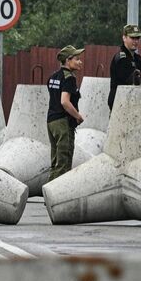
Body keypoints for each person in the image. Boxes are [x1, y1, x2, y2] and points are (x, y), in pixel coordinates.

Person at [47, 45, 85, 181]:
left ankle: (48, 195)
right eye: (77, 59)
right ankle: (57, 197)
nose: (80, 62)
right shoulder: (69, 78)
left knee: (55, 160)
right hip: (63, 123)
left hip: (51, 122)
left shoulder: (53, 77)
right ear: (68, 60)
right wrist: (78, 116)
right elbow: (64, 102)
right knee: (64, 160)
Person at [108, 24, 141, 110]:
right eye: (132, 38)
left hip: (133, 106)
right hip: (120, 106)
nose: (135, 41)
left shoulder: (137, 58)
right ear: (124, 38)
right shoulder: (121, 58)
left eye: (138, 38)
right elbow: (131, 80)